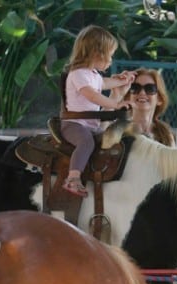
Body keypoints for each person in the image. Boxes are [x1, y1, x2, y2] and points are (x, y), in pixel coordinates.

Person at [61, 25, 135, 197]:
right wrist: (115, 104)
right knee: (86, 142)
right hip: (74, 124)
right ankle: (73, 179)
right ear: (96, 53)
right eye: (110, 55)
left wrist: (123, 80)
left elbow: (107, 83)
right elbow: (92, 95)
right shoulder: (78, 74)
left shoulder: (94, 75)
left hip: (89, 124)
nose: (111, 60)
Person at [109, 67, 176, 146]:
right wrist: (115, 95)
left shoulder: (165, 135)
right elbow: (99, 132)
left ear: (159, 99)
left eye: (150, 88)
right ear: (128, 97)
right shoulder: (118, 129)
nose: (142, 92)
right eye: (135, 88)